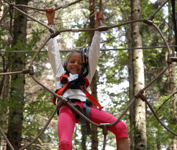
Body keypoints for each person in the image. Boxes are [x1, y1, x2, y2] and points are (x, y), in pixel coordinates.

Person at [46, 8, 130, 150]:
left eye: (79, 63)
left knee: (120, 127)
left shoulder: (85, 76)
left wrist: (98, 29)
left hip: (86, 107)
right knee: (65, 143)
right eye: (72, 61)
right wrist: (50, 23)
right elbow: (53, 51)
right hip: (67, 107)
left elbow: (94, 53)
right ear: (66, 63)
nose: (76, 65)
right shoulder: (60, 73)